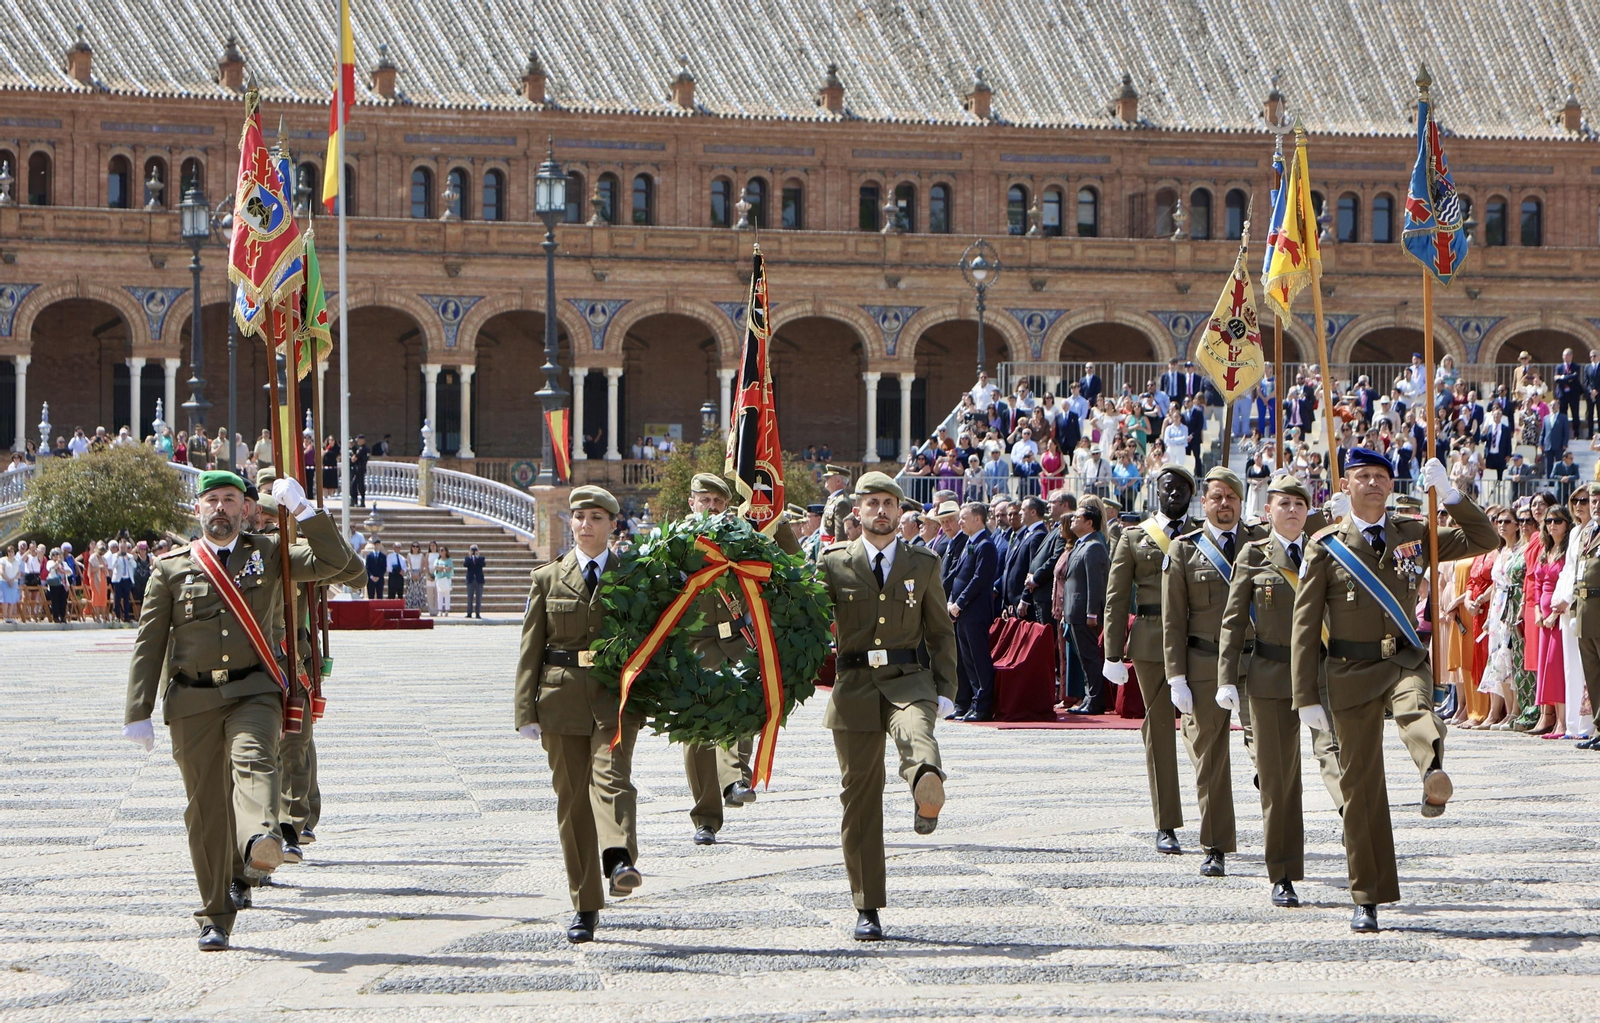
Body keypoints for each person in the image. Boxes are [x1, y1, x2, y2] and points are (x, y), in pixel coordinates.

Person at [122, 470, 351, 950]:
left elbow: (337, 563)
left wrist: (305, 512)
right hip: (193, 700)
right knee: (205, 810)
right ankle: (215, 916)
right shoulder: (170, 568)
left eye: (230, 499)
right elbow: (150, 644)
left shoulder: (268, 555)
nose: (221, 508)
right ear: (199, 509)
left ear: (245, 509)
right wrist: (137, 710)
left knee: (254, 760)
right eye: (212, 500)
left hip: (254, 690)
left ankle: (260, 840)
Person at [1290, 448, 1496, 933]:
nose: (1375, 484)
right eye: (1364, 476)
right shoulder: (1325, 545)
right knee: (1361, 788)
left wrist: (1450, 495)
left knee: (1417, 710)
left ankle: (1433, 774)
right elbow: (1304, 626)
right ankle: (1368, 894)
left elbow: (1483, 538)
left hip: (1402, 658)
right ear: (1347, 485)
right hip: (1348, 670)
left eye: (1382, 476)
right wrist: (1306, 697)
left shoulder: (1413, 533)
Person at [816, 471, 956, 940]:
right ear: (857, 511)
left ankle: (925, 786)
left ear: (901, 513)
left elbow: (940, 630)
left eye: (888, 503)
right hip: (854, 685)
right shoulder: (833, 563)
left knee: (919, 734)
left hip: (908, 679)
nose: (880, 511)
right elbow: (812, 623)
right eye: (872, 502)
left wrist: (946, 688)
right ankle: (867, 905)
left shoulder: (924, 563)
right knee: (859, 798)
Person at [514, 486, 643, 944]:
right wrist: (524, 709)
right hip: (561, 701)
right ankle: (585, 904)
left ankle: (620, 859)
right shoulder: (548, 578)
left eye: (595, 517)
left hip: (614, 699)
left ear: (613, 524)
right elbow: (531, 648)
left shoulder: (633, 575)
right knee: (572, 805)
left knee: (611, 779)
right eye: (579, 516)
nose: (585, 524)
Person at [1216, 473, 1345, 908]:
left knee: (1340, 758)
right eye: (1283, 503)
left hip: (1323, 676)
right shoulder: (1252, 556)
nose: (1292, 510)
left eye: (1299, 504)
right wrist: (1226, 680)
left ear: (1309, 511)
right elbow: (1233, 621)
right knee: (1279, 783)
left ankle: (1355, 829)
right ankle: (1284, 872)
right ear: (1268, 510)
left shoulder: (1328, 550)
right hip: (1270, 677)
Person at [1161, 466, 1264, 879]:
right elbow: (1173, 620)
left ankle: (1281, 845)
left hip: (1254, 662)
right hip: (1204, 664)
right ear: (1204, 503)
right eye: (1217, 498)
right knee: (1211, 761)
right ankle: (1216, 845)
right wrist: (1176, 677)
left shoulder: (1261, 545)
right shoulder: (1184, 550)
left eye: (1232, 498)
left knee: (1270, 755)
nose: (1225, 505)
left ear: (1241, 503)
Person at [1103, 463, 1201, 853]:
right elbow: (1115, 597)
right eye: (1167, 488)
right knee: (1158, 731)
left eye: (1182, 489)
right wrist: (1112, 652)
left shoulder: (1204, 536)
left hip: (1199, 639)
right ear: (1156, 492)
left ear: (1192, 495)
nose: (1174, 494)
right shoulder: (1134, 537)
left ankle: (1213, 819)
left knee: (1204, 731)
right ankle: (1167, 823)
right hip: (1150, 641)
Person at [679, 474, 762, 846]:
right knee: (698, 733)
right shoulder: (675, 544)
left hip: (738, 643)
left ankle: (736, 780)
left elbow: (777, 571)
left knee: (742, 712)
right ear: (691, 501)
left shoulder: (742, 540)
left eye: (718, 501)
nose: (711, 507)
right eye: (704, 499)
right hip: (696, 648)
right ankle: (706, 818)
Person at [945, 502, 999, 721]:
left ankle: (982, 706)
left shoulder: (985, 545)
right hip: (962, 612)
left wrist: (960, 603)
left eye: (964, 517)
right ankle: (965, 702)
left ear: (978, 519)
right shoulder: (970, 543)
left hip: (975, 612)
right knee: (965, 659)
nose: (960, 522)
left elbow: (979, 580)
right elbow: (958, 575)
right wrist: (950, 600)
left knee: (978, 660)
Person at [1060, 500, 1110, 713]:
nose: (1072, 520)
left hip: (1084, 612)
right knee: (1083, 658)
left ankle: (1096, 700)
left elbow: (1095, 583)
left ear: (1090, 523)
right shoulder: (1081, 544)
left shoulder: (1094, 546)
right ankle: (1090, 698)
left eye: (1077, 518)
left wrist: (1092, 612)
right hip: (1073, 611)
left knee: (1090, 657)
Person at [820, 465, 852, 542]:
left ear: (838, 481)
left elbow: (840, 534)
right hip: (825, 546)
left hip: (832, 547)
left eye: (829, 477)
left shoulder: (842, 502)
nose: (826, 479)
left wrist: (836, 552)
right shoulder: (833, 499)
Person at [464, 544, 486, 618]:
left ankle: (477, 613)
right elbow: (465, 564)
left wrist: (477, 556)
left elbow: (483, 564)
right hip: (470, 579)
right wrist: (471, 556)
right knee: (470, 597)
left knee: (478, 597)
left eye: (475, 550)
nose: (474, 551)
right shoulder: (468, 558)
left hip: (479, 580)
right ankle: (469, 612)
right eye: (472, 550)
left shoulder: (481, 558)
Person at [433, 544, 455, 616]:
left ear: (446, 551)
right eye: (439, 550)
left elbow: (450, 568)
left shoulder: (449, 560)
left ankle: (446, 610)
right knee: (439, 594)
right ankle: (440, 610)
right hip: (439, 579)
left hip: (447, 579)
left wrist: (442, 568)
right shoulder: (437, 559)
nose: (440, 552)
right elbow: (435, 567)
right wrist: (443, 567)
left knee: (446, 594)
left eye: (442, 550)